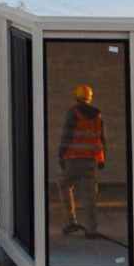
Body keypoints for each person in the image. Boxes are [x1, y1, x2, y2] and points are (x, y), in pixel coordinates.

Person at [56, 83, 105, 237]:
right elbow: (101, 140)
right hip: (90, 161)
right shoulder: (98, 115)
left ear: (77, 97)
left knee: (65, 186)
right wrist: (101, 159)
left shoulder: (73, 113)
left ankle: (71, 223)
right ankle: (91, 230)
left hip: (72, 159)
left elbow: (66, 136)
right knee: (89, 196)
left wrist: (61, 155)